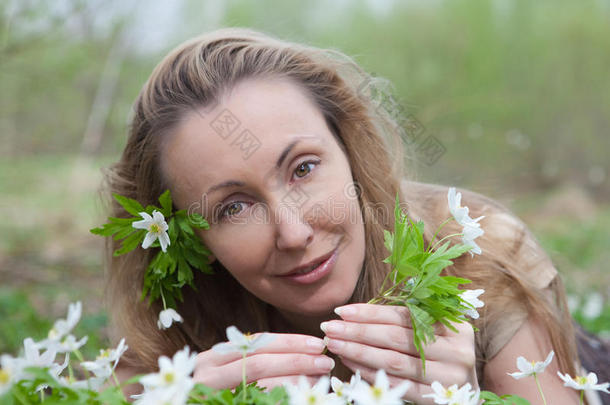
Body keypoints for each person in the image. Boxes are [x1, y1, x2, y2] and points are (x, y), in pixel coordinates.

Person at [101, 27, 584, 404]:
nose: (293, 233)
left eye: (303, 169)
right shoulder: (168, 330)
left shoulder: (475, 253)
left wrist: (467, 399)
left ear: (348, 147)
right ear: (183, 242)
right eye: (233, 207)